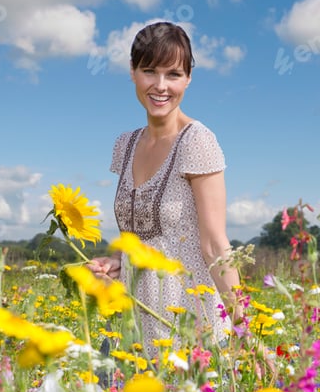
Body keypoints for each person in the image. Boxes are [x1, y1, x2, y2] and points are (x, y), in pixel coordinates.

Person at [88, 21, 241, 357]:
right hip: (130, 324)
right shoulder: (125, 144)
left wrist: (246, 327)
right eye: (149, 71)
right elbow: (136, 233)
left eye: (173, 74)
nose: (160, 86)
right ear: (132, 72)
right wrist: (115, 261)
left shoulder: (197, 140)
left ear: (188, 78)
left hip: (186, 325)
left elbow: (215, 243)